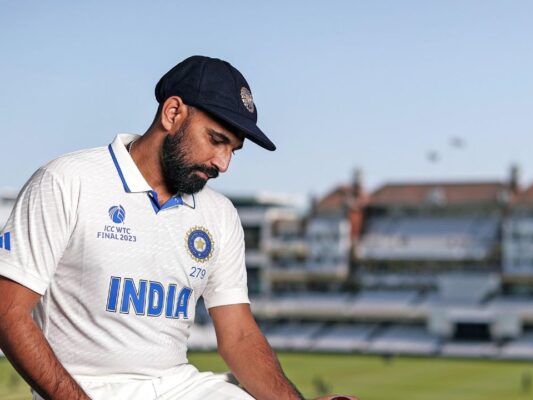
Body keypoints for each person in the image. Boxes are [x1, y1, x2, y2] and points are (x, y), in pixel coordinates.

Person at [0, 56, 355, 400]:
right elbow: (8, 313)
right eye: (217, 140)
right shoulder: (66, 181)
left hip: (180, 385)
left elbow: (240, 336)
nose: (224, 163)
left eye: (234, 150)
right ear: (173, 113)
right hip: (92, 387)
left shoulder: (220, 214)